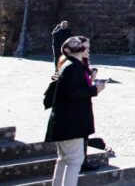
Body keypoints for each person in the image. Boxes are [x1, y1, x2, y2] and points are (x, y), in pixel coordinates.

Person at [46, 36, 105, 185]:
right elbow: (73, 93)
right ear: (66, 49)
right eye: (74, 43)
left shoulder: (72, 65)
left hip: (65, 122)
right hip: (70, 123)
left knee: (64, 160)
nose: (78, 44)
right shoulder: (72, 67)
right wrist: (94, 90)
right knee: (74, 162)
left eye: (79, 43)